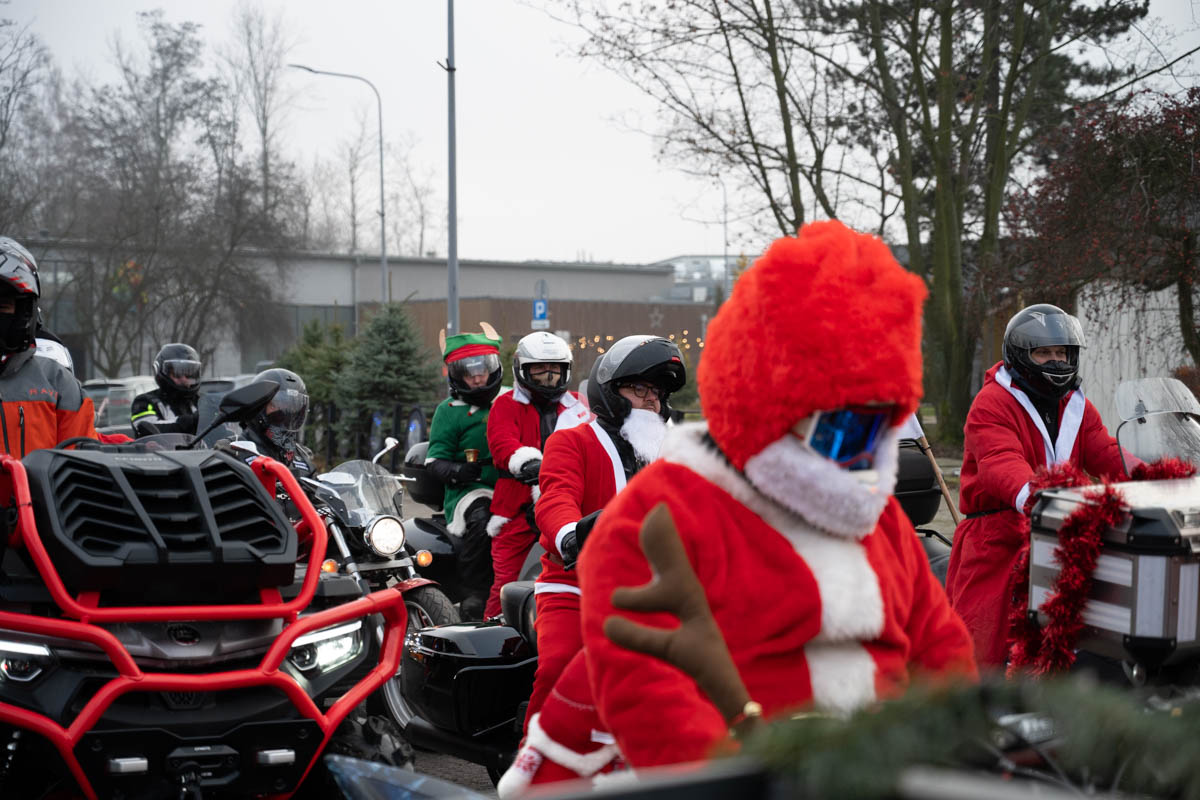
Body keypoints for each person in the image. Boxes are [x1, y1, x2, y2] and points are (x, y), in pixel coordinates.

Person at [577, 221, 977, 769]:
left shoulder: (877, 518)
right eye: (837, 421)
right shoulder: (665, 514)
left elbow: (941, 649)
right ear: (776, 405)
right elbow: (647, 689)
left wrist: (954, 748)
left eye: (873, 423)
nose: (856, 448)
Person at [496, 336, 685, 795]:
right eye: (639, 390)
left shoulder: (675, 450)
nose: (651, 400)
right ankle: (534, 775)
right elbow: (556, 495)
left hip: (656, 590)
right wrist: (570, 534)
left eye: (657, 392)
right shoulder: (571, 442)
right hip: (574, 586)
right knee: (561, 663)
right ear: (610, 391)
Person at [945, 303, 1132, 668]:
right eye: (1043, 353)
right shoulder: (992, 403)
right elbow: (999, 462)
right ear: (1021, 356)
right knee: (982, 652)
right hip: (999, 537)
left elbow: (1108, 454)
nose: (1055, 361)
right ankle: (979, 715)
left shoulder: (1075, 405)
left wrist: (1160, 476)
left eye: (1061, 352)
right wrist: (1042, 496)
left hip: (1061, 531)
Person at [485, 331, 590, 618]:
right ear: (523, 370)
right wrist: (527, 464)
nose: (548, 376)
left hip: (569, 505)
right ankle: (495, 636)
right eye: (539, 370)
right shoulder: (506, 404)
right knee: (505, 582)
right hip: (517, 508)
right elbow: (502, 444)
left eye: (555, 369)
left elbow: (597, 438)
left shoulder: (580, 405)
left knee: (581, 574)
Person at [424, 323, 506, 620]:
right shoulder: (450, 410)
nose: (477, 377)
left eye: (482, 369)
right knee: (483, 518)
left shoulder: (508, 401)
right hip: (471, 489)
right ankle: (476, 592)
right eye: (469, 373)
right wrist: (461, 470)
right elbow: (435, 462)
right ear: (458, 375)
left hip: (513, 481)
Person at [0, 237, 98, 456]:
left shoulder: (56, 382)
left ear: (24, 312)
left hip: (37, 491)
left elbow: (83, 464)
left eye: (2, 305)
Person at [239, 367, 314, 477]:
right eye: (276, 405)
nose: (285, 413)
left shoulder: (301, 456)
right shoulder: (235, 452)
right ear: (258, 406)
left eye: (291, 407)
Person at [131, 343, 202, 437]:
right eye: (177, 374)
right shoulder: (144, 402)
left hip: (204, 451)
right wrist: (196, 420)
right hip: (161, 451)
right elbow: (152, 428)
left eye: (189, 375)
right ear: (161, 371)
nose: (184, 379)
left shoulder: (201, 402)